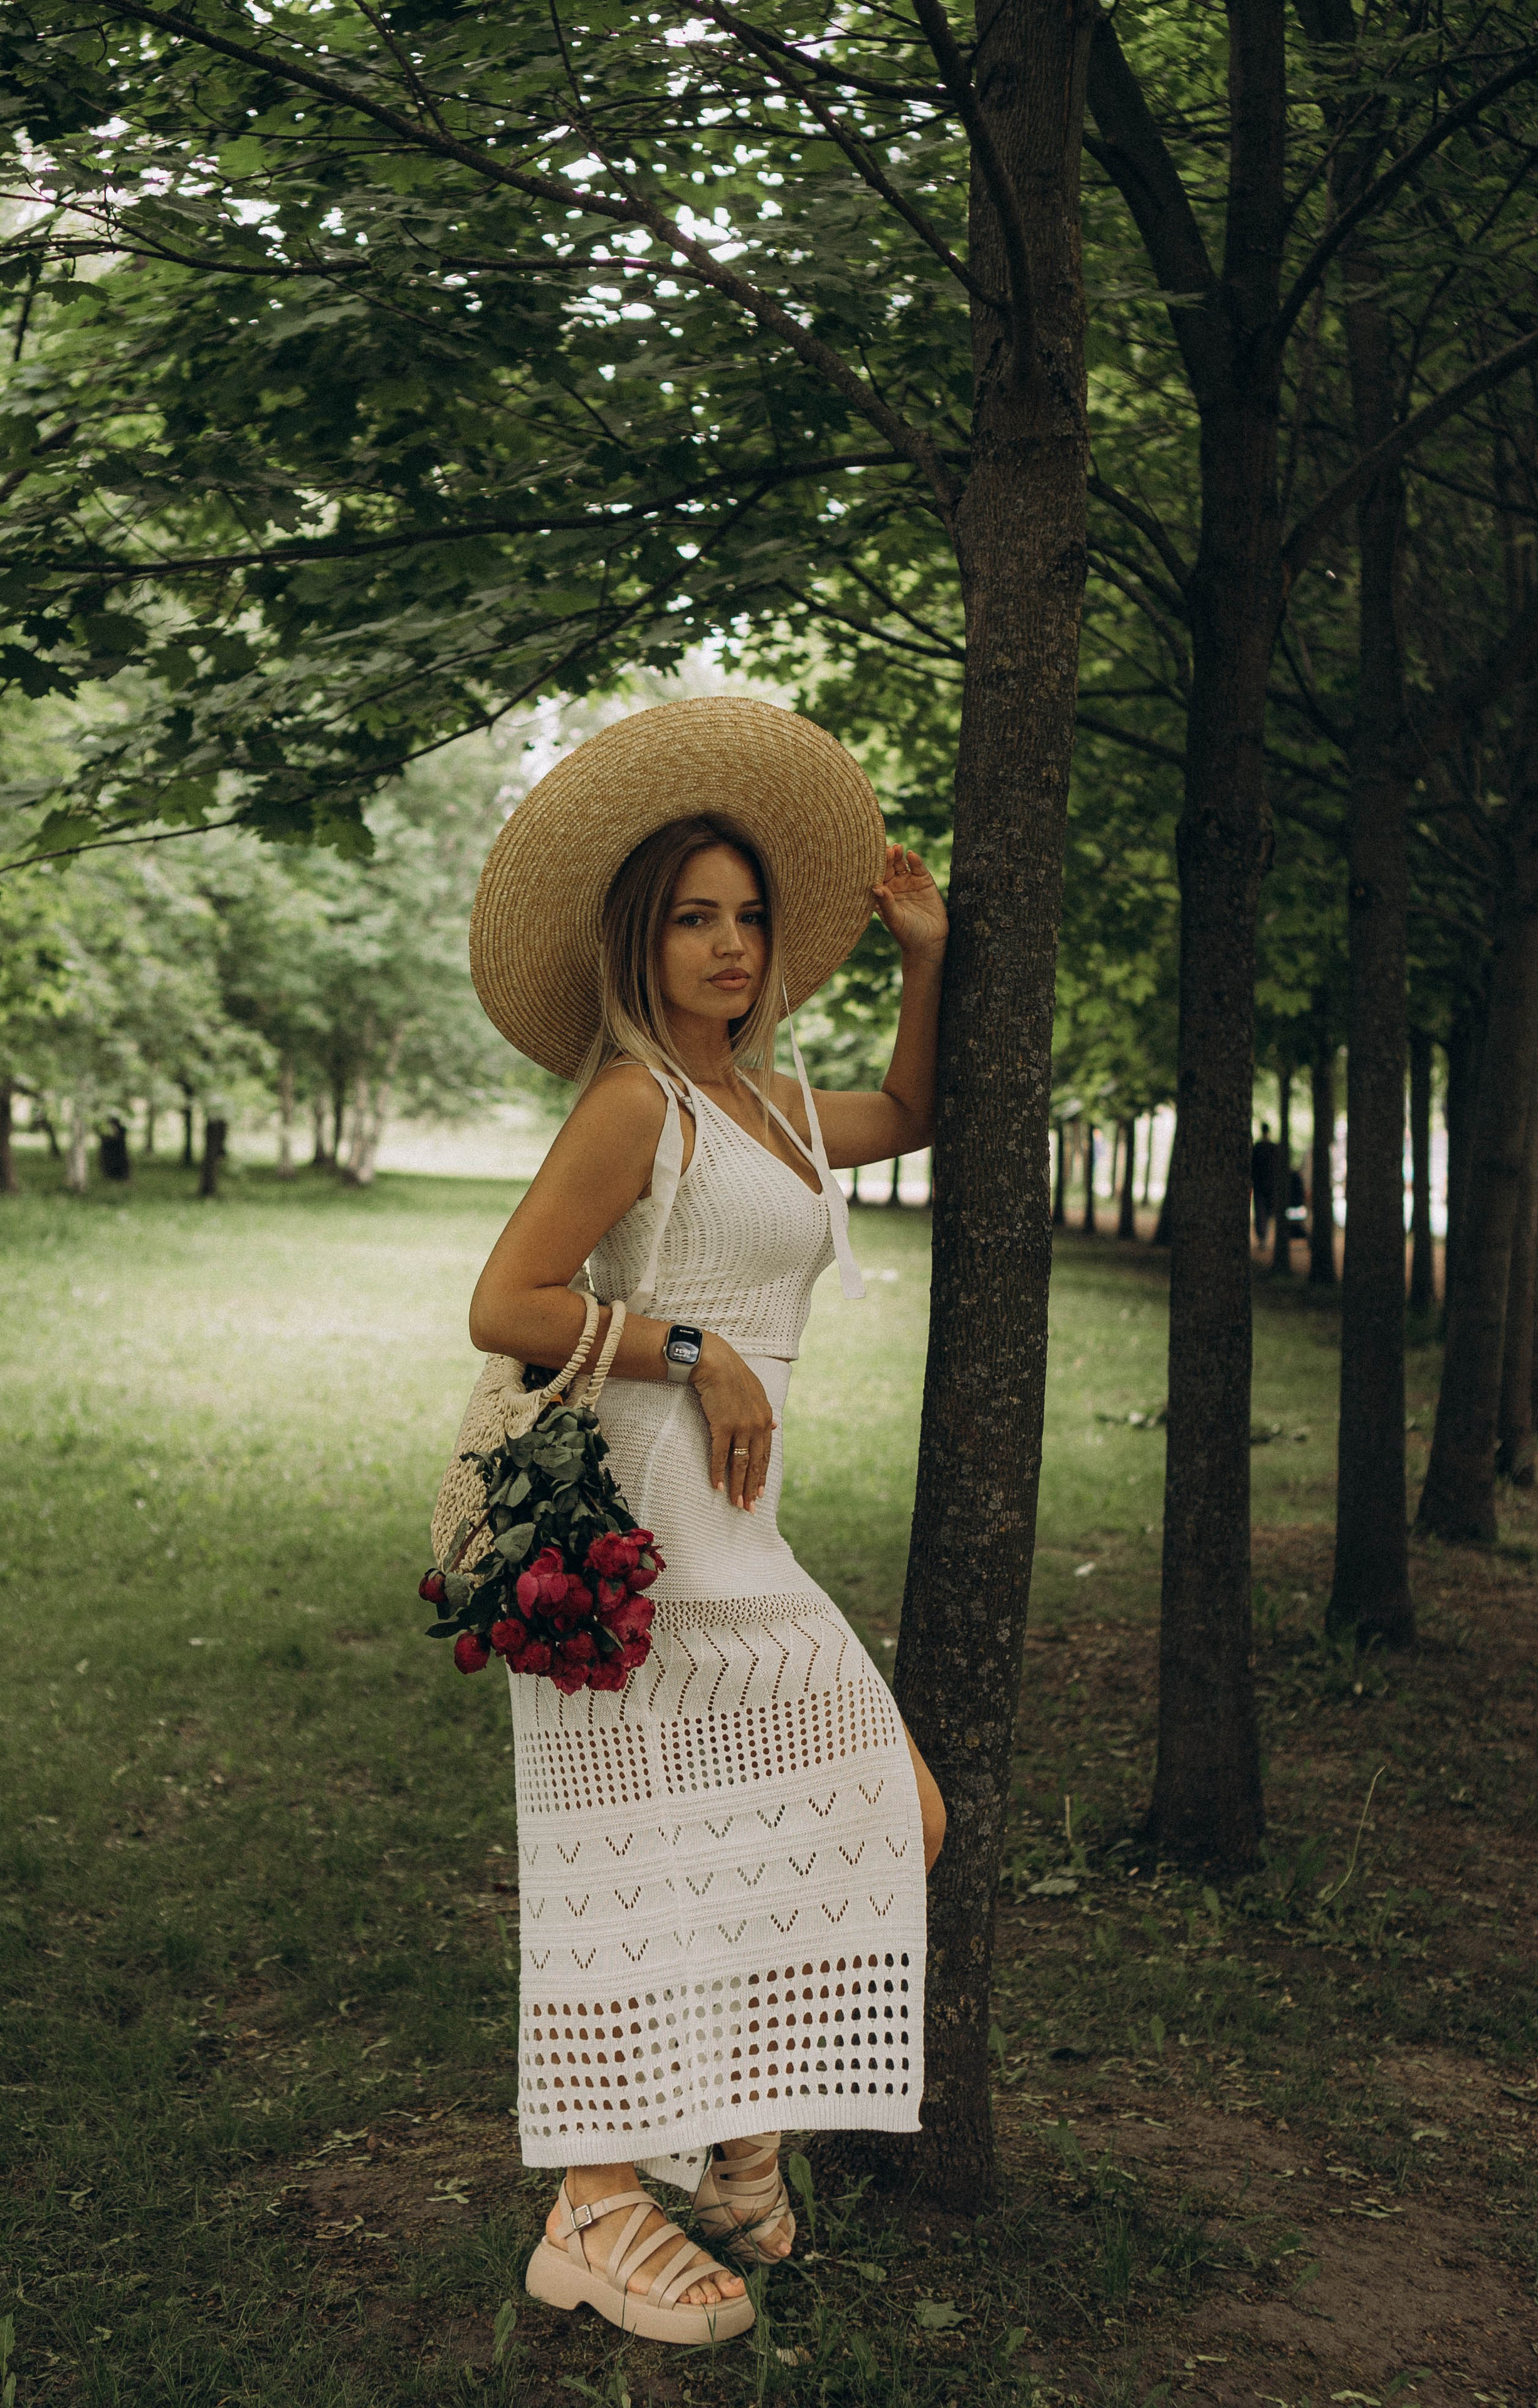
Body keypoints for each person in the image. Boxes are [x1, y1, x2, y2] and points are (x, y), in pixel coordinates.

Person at [465, 699, 948, 2346]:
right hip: (634, 1537)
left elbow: (915, 1110)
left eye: (748, 918)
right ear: (643, 938)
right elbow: (506, 1300)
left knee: (898, 1814)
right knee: (628, 1866)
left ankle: (736, 2142)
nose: (730, 945)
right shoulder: (633, 1102)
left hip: (738, 1541)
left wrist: (927, 956)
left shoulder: (777, 1106)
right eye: (696, 918)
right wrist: (699, 1347)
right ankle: (593, 2210)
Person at [1251, 1120, 1277, 1244]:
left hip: (1261, 1185)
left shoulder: (1258, 1147)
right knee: (1266, 1212)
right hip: (1269, 1185)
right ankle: (1263, 1237)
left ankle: (1262, 1237)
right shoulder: (1273, 1148)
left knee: (1262, 1212)